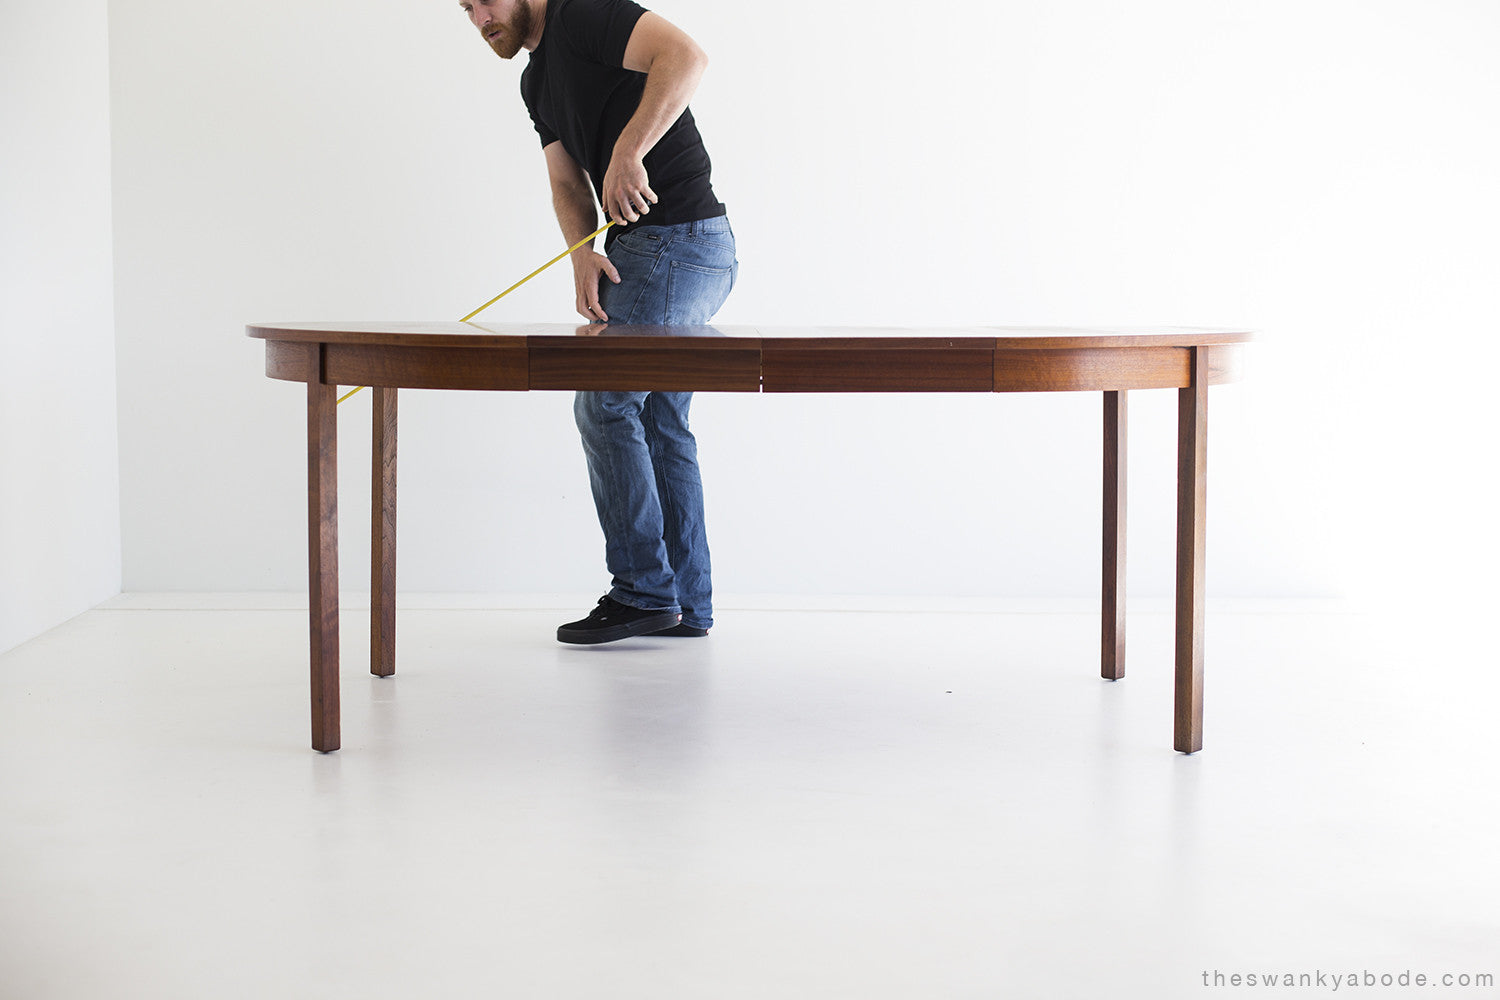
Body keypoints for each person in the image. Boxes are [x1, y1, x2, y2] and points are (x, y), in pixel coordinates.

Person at [458, 0, 737, 644]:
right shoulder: (535, 81)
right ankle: (685, 602)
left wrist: (628, 150)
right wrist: (583, 252)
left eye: (486, 1)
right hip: (654, 249)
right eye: (466, 9)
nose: (479, 19)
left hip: (682, 241)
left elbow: (686, 56)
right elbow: (565, 181)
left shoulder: (583, 14)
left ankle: (642, 591)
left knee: (606, 400)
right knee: (659, 417)